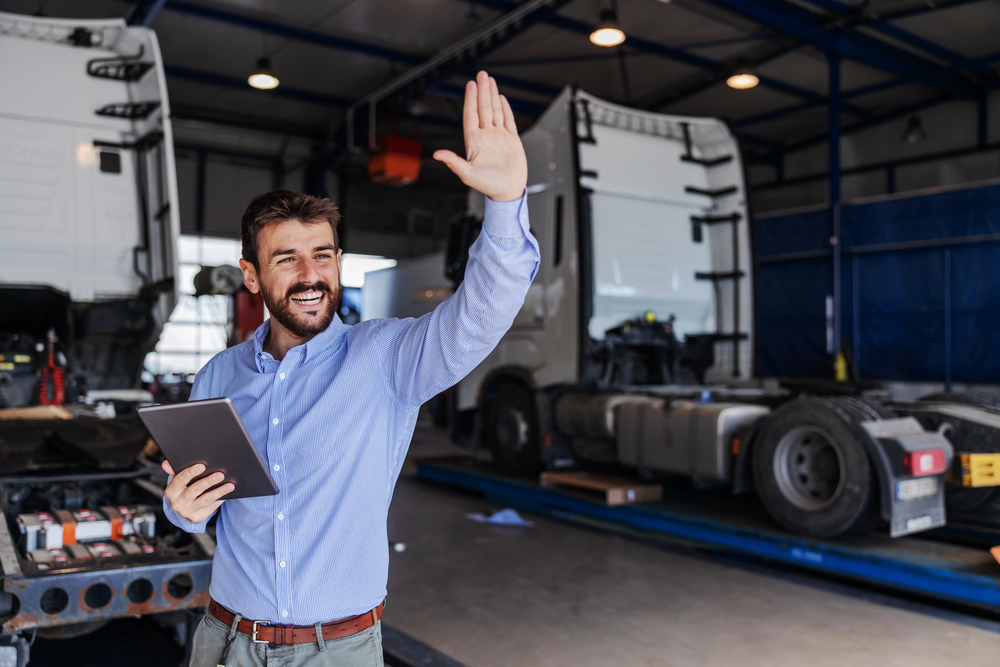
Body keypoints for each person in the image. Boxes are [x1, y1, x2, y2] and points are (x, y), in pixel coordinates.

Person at [161, 70, 537, 667]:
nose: (311, 276)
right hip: (224, 640)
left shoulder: (387, 359)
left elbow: (482, 312)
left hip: (334, 652)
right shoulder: (219, 376)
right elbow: (194, 502)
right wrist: (179, 510)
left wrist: (505, 204)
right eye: (287, 259)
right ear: (252, 275)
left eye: (324, 255)